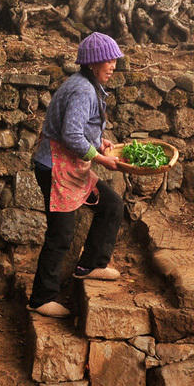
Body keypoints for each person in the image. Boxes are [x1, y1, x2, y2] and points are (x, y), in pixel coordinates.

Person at [28, 32, 126, 318]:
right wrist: (101, 159)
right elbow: (71, 135)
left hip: (69, 167)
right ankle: (41, 298)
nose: (113, 66)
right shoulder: (83, 90)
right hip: (56, 168)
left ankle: (91, 264)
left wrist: (98, 143)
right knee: (61, 235)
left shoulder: (86, 85)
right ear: (93, 63)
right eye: (108, 60)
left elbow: (79, 130)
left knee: (111, 206)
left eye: (114, 60)